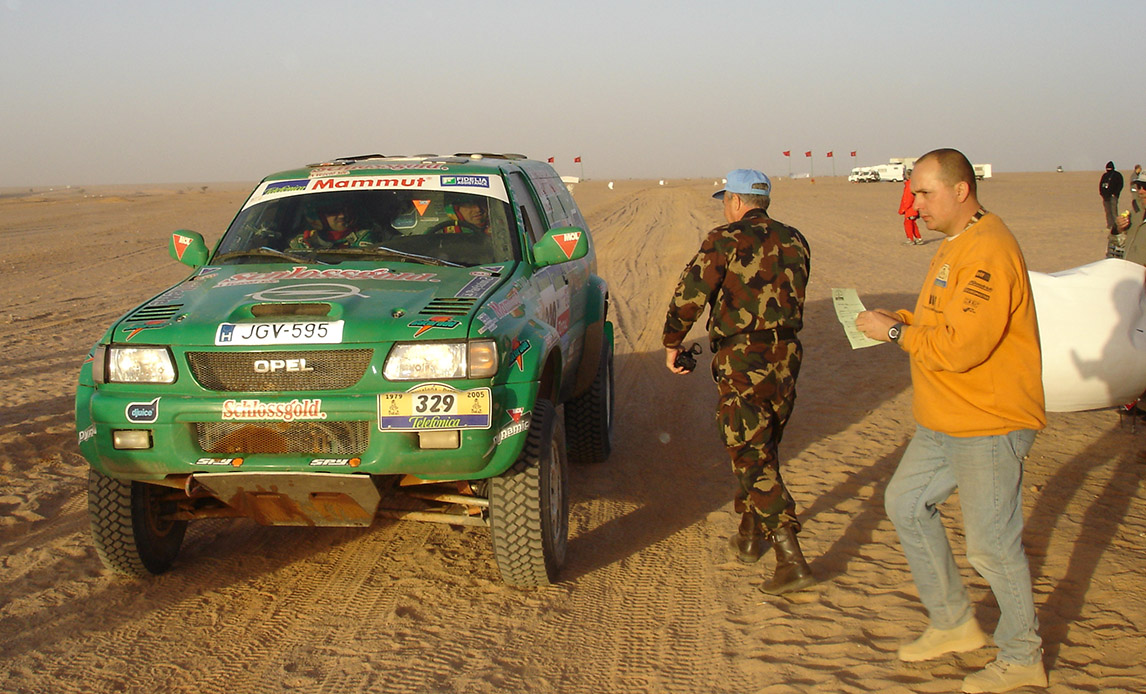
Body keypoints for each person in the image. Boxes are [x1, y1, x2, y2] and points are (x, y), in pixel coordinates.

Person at [855, 149, 1047, 693]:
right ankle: (954, 623)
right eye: (914, 192)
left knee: (991, 545)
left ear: (962, 191)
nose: (914, 205)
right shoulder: (957, 245)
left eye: (923, 193)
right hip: (945, 418)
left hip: (988, 421)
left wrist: (894, 334)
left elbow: (963, 347)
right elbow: (944, 317)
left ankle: (1021, 655)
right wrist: (905, 319)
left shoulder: (987, 252)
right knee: (906, 504)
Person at [663, 168, 814, 595]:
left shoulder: (724, 239)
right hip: (787, 354)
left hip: (743, 357)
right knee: (762, 444)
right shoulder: (795, 239)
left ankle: (791, 558)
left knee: (749, 451)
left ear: (735, 201)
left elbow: (690, 294)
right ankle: (749, 537)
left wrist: (673, 342)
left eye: (726, 199)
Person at [289, 198, 375, 249]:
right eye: (333, 211)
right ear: (318, 216)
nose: (342, 216)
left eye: (346, 211)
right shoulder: (302, 242)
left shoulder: (362, 238)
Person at [1116, 171, 1146, 265]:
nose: (1141, 191)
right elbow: (1119, 245)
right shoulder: (1135, 214)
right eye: (1139, 186)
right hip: (1131, 274)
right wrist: (1119, 230)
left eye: (1145, 187)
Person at [1100, 161, 1124, 232]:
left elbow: (1120, 185)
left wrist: (1115, 193)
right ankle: (1110, 226)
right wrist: (1102, 193)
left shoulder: (1117, 175)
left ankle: (1116, 226)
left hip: (1113, 197)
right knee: (1108, 212)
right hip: (1105, 197)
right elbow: (1101, 185)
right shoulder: (1104, 175)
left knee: (1114, 212)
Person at [899, 174, 923, 245]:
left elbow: (908, 198)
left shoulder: (909, 185)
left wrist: (903, 209)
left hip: (910, 209)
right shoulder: (913, 184)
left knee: (908, 223)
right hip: (913, 208)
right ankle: (918, 238)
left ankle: (910, 239)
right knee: (912, 223)